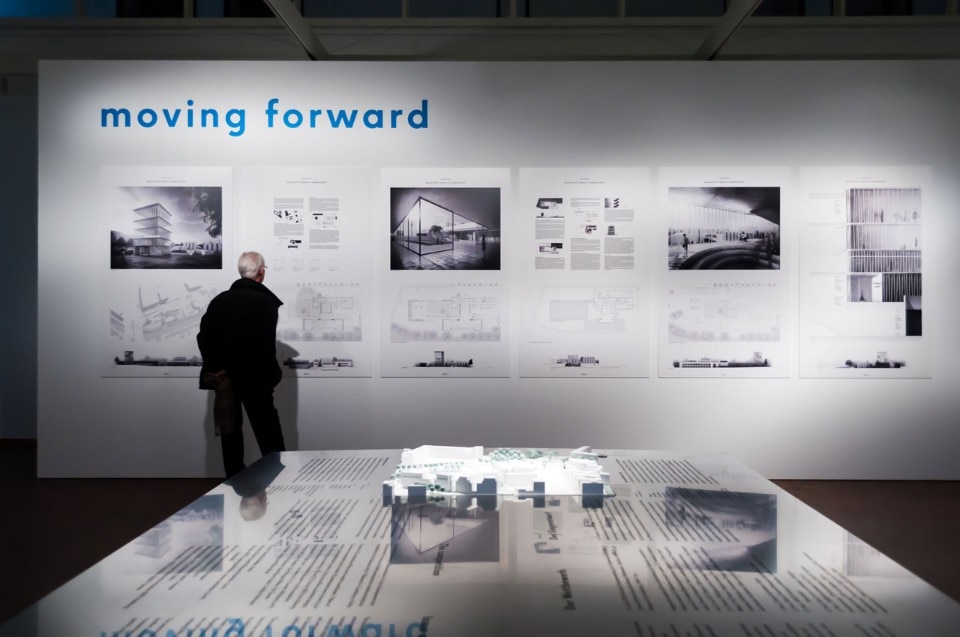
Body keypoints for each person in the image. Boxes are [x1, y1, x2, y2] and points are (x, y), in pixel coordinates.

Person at [198, 251, 285, 478]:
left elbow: (204, 337)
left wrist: (216, 368)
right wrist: (272, 375)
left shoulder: (219, 301)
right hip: (256, 378)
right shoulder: (265, 302)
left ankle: (236, 483)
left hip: (225, 378)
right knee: (268, 433)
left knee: (231, 434)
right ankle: (279, 481)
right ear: (261, 272)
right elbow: (265, 345)